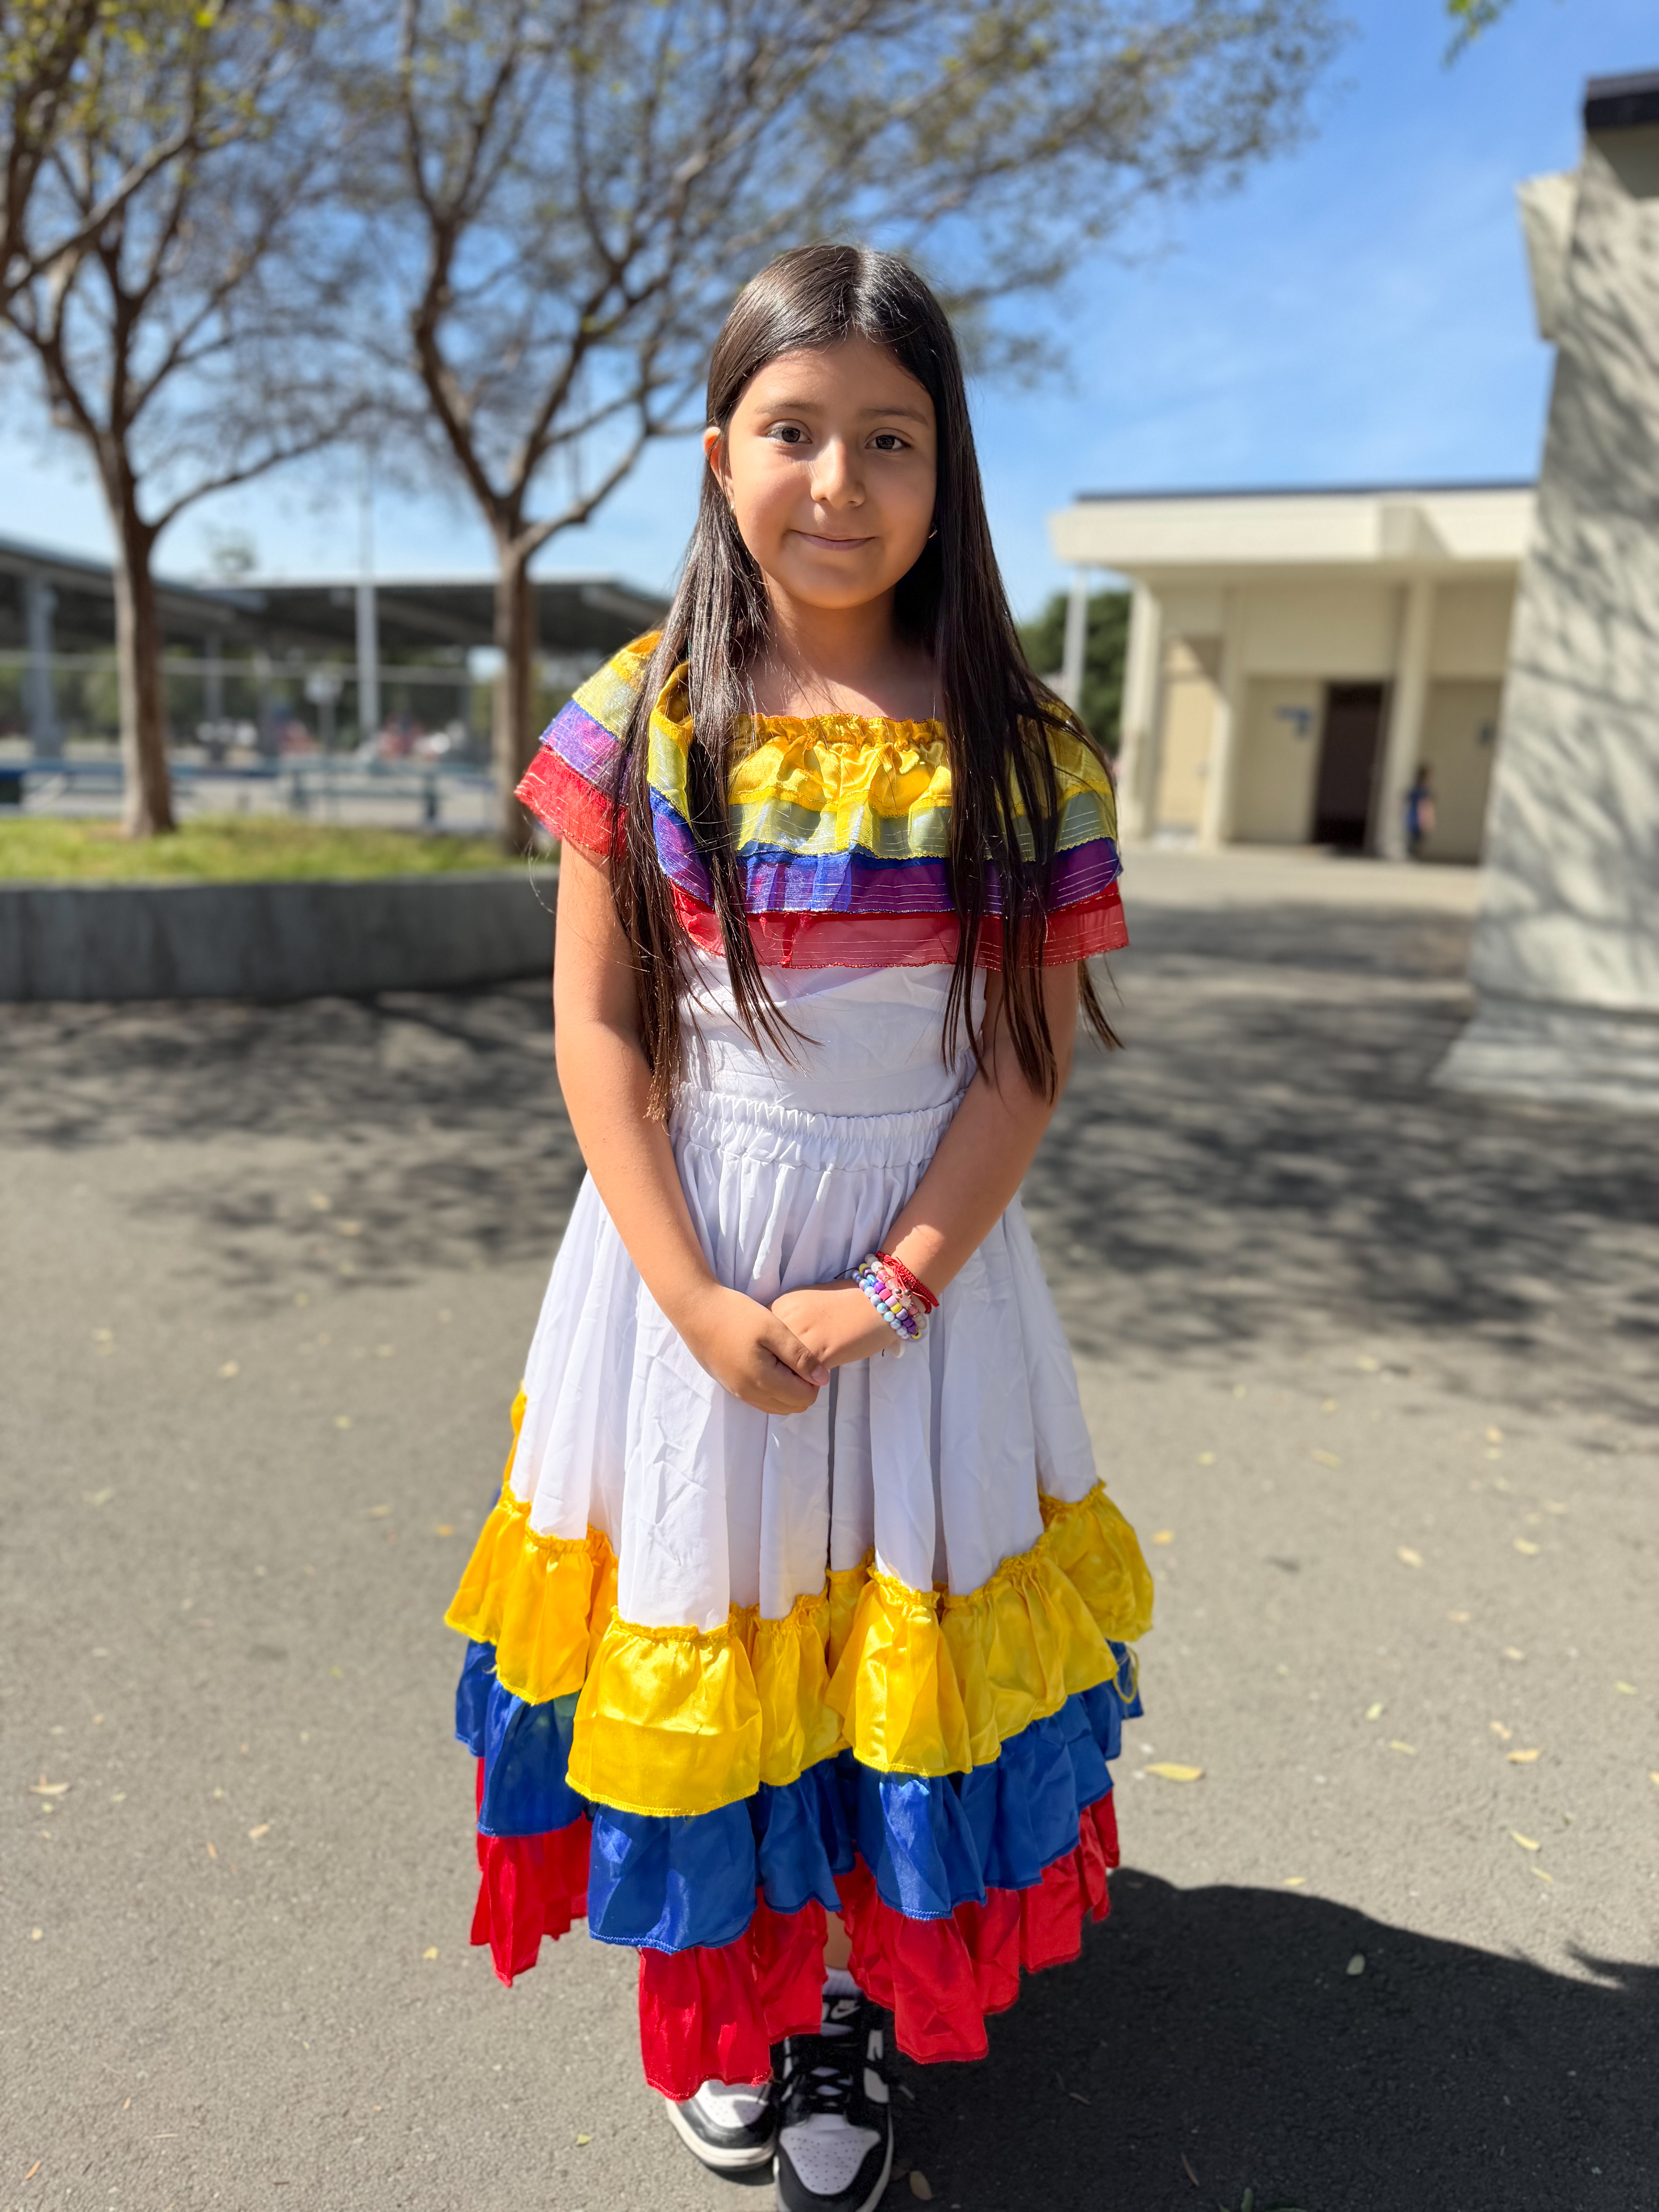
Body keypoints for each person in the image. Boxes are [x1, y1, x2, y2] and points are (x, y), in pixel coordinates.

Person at [445, 244, 1152, 2212]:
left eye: (890, 439)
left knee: (877, 1623)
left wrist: (884, 1292)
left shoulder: (1021, 745)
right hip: (680, 1263)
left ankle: (839, 1993)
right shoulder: (645, 713)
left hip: (926, 1284)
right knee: (714, 1605)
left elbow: (1017, 1062)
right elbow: (599, 1026)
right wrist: (690, 1296)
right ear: (717, 454)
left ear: (948, 469)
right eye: (793, 430)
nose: (839, 481)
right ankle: (733, 1991)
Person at [1405, 763, 1436, 859]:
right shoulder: (1422, 790)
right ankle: (1414, 855)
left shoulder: (1417, 789)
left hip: (1414, 816)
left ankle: (1413, 855)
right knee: (1417, 839)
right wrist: (1426, 819)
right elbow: (1424, 805)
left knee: (1416, 838)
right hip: (1418, 817)